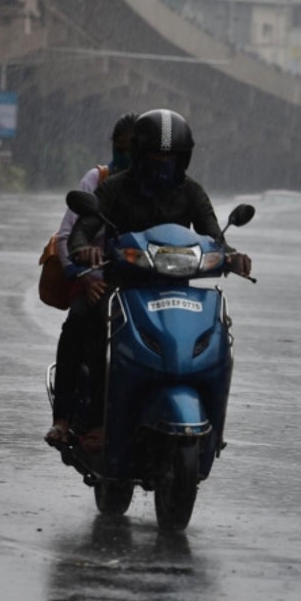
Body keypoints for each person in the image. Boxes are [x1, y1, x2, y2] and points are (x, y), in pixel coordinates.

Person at [67, 108, 252, 447]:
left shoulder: (192, 193)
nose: (162, 162)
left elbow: (215, 237)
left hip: (176, 288)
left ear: (183, 159)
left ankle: (215, 427)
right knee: (86, 319)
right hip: (123, 286)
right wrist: (85, 251)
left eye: (170, 156)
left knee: (221, 338)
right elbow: (81, 233)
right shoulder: (112, 190)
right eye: (155, 154)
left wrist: (233, 257)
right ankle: (91, 418)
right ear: (139, 154)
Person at [45, 111, 139, 448]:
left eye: (132, 148)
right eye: (120, 148)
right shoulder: (96, 181)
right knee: (84, 322)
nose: (125, 156)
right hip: (95, 281)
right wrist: (84, 277)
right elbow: (66, 237)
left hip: (139, 285)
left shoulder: (157, 188)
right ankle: (66, 416)